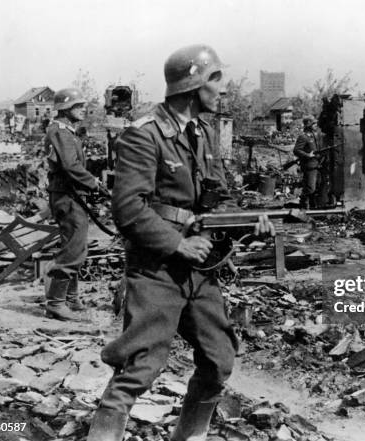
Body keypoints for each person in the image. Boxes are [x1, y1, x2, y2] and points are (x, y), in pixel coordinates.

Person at [87, 44, 274, 441]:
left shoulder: (201, 133)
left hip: (200, 269)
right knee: (141, 365)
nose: (222, 92)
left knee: (219, 359)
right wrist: (177, 244)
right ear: (194, 85)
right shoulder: (144, 135)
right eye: (216, 82)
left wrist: (248, 222)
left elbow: (217, 199)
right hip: (157, 267)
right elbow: (128, 210)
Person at [44, 88, 106, 321]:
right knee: (72, 249)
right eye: (78, 106)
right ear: (65, 109)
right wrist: (93, 183)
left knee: (76, 247)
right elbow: (70, 166)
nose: (83, 110)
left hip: (71, 196)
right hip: (67, 197)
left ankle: (70, 298)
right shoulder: (60, 132)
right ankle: (56, 303)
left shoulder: (66, 132)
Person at [293, 115, 323, 208]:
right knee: (310, 188)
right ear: (308, 124)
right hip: (309, 165)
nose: (316, 125)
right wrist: (307, 155)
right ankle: (303, 202)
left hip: (318, 164)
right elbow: (296, 150)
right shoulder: (303, 136)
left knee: (318, 186)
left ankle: (312, 205)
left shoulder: (316, 135)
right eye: (314, 123)